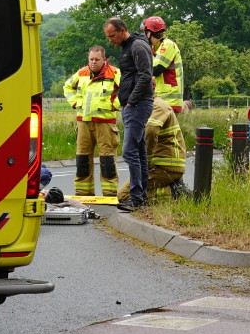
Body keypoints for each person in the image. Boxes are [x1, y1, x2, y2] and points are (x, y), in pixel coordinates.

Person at [105, 16, 154, 212]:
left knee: (129, 151)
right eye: (108, 37)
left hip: (138, 104)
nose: (111, 40)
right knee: (139, 151)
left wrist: (132, 100)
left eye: (112, 35)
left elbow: (145, 75)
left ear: (122, 29)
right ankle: (140, 197)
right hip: (132, 104)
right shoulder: (129, 47)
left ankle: (137, 199)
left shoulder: (137, 47)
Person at [62, 45, 121, 197]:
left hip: (105, 123)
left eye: (97, 59)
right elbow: (67, 87)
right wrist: (75, 102)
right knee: (82, 158)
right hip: (83, 122)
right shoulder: (82, 72)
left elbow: (127, 89)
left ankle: (109, 193)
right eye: (91, 59)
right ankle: (83, 192)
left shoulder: (114, 72)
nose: (93, 62)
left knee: (107, 159)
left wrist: (115, 104)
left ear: (104, 59)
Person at [144, 95, 187, 198]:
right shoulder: (151, 105)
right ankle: (172, 187)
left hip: (166, 165)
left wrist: (146, 163)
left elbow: (150, 132)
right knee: (134, 190)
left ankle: (172, 192)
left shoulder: (157, 106)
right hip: (164, 163)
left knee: (125, 195)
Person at [144, 16, 184, 113]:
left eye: (144, 32)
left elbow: (156, 70)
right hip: (164, 99)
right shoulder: (155, 49)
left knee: (150, 127)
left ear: (149, 33)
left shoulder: (167, 45)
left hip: (169, 99)